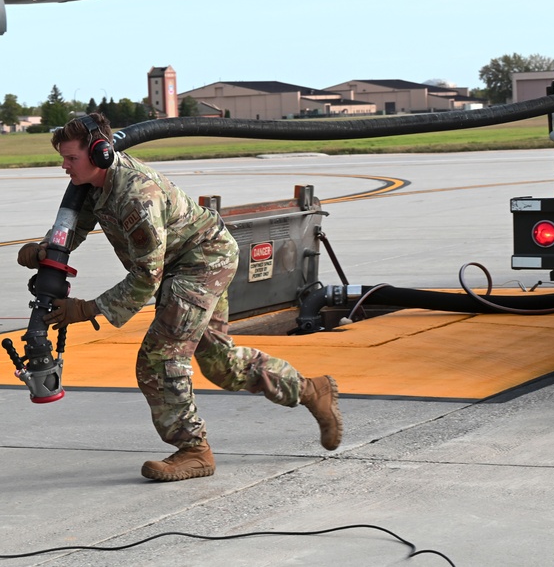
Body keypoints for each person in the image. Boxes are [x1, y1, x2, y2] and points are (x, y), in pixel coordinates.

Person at [18, 113, 342, 482]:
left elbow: (145, 278)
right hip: (188, 264)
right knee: (221, 362)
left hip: (199, 264)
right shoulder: (96, 182)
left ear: (100, 153)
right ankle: (310, 390)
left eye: (71, 158)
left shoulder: (136, 196)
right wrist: (47, 249)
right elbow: (78, 223)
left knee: (159, 359)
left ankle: (194, 450)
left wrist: (87, 309)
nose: (64, 166)